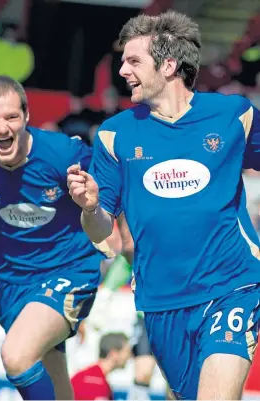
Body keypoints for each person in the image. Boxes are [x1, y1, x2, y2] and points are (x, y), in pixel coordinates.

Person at [67, 10, 260, 401]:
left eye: (133, 61)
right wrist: (89, 208)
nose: (121, 70)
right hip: (159, 302)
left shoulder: (233, 115)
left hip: (232, 286)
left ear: (169, 65)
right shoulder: (114, 135)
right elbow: (104, 235)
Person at [0, 75, 111, 401]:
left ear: (26, 117)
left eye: (11, 117)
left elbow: (104, 224)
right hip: (12, 283)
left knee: (16, 356)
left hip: (69, 271)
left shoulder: (64, 153)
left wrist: (92, 207)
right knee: (53, 374)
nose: (2, 128)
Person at [88, 215, 156, 401]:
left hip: (180, 313)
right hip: (148, 317)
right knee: (143, 372)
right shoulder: (141, 242)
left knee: (177, 377)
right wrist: (105, 296)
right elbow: (126, 260)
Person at [71, 332, 131, 400]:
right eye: (127, 352)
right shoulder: (95, 382)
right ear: (114, 353)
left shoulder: (95, 377)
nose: (129, 357)